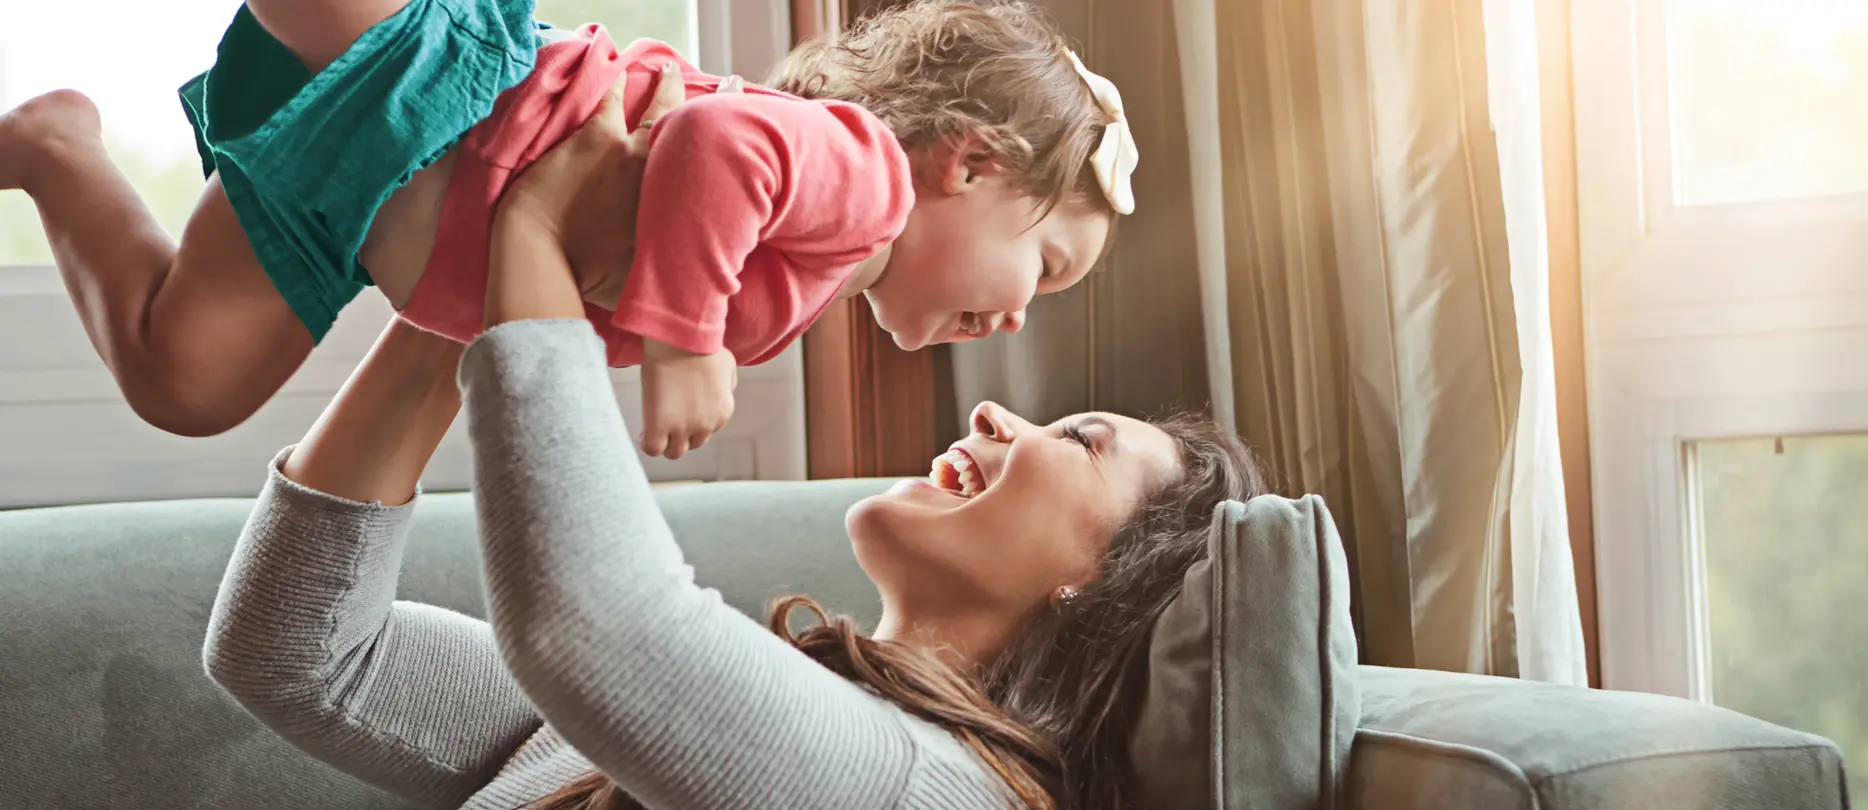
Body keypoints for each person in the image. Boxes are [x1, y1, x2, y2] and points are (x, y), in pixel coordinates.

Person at [200, 67, 1262, 810]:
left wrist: (530, 237)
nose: (992, 412)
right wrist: (466, 281)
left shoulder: (935, 791)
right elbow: (307, 659)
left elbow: (596, 632)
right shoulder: (749, 706)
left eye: (1080, 439)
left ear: (1103, 580)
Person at [0, 0, 1139, 460]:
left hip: (363, 210)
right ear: (971, 162)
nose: (1018, 312)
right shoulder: (870, 182)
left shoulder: (815, 277)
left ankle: (55, 151)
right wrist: (687, 341)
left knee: (183, 382)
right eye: (1046, 263)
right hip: (441, 92)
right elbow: (717, 150)